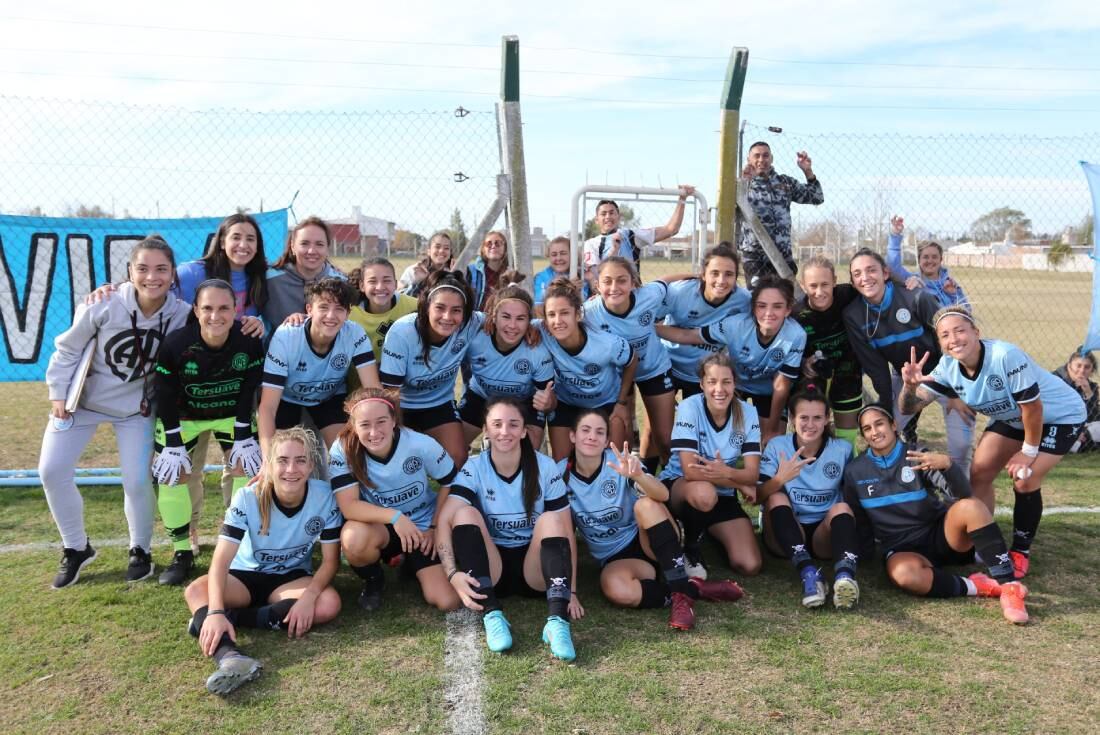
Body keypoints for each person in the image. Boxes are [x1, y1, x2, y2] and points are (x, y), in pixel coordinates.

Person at [41, 235, 192, 589]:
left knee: (137, 480)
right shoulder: (104, 304)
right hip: (83, 402)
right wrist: (57, 393)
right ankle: (76, 547)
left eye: (161, 270)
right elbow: (66, 350)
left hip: (136, 409)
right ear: (129, 272)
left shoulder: (183, 314)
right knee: (51, 470)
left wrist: (253, 325)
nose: (151, 277)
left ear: (173, 275)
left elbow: (219, 330)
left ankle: (140, 549)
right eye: (142, 269)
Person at [899, 307, 1086, 578]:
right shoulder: (947, 366)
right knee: (980, 472)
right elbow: (908, 409)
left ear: (976, 332)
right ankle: (985, 538)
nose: (954, 339)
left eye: (960, 330)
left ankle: (1020, 551)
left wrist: (1027, 452)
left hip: (1058, 416)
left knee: (1025, 477)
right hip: (1015, 418)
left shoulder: (1004, 356)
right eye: (945, 335)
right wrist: (909, 387)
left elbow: (1033, 409)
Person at [183, 426, 343, 695]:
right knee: (196, 590)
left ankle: (235, 618)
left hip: (289, 578)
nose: (291, 469)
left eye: (300, 460)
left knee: (328, 603)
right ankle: (230, 657)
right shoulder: (248, 496)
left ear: (312, 465)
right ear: (268, 464)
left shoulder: (324, 496)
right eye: (282, 460)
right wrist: (214, 612)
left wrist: (307, 598)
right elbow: (221, 562)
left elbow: (330, 562)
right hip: (245, 576)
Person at [842, 404, 1029, 624]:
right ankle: (978, 586)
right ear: (863, 435)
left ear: (893, 425)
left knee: (972, 506)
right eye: (867, 428)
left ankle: (1009, 587)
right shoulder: (855, 471)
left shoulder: (917, 455)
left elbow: (963, 493)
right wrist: (865, 557)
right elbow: (860, 519)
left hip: (940, 536)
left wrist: (948, 466)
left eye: (879, 423)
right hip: (902, 548)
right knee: (905, 576)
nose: (875, 432)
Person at [561, 409, 743, 631]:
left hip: (649, 538)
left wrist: (638, 476)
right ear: (572, 436)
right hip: (616, 557)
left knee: (646, 504)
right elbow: (564, 535)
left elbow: (663, 495)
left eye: (599, 432)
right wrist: (569, 593)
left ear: (607, 440)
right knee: (617, 590)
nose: (591, 437)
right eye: (585, 430)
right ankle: (692, 589)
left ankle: (680, 599)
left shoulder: (620, 463)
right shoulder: (560, 475)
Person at [435, 398, 582, 660]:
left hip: (535, 571)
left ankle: (557, 623)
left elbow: (566, 532)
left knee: (552, 519)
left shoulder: (544, 466)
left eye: (513, 424)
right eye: (497, 424)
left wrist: (571, 591)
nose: (505, 431)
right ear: (486, 430)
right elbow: (445, 519)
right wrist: (452, 574)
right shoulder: (475, 467)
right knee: (463, 513)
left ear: (525, 431)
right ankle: (492, 613)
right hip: (492, 571)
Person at [151, 278, 265, 585]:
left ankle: (239, 543)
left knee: (248, 466)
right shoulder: (176, 343)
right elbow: (163, 393)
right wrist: (173, 442)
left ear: (236, 309)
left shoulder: (249, 341)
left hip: (230, 414)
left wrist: (243, 433)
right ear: (196, 310)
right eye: (208, 308)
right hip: (185, 416)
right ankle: (182, 552)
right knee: (172, 473)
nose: (216, 316)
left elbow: (248, 390)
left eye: (224, 308)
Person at [842, 248, 974, 473]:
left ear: (885, 273)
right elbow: (877, 369)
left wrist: (957, 392)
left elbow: (949, 343)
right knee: (884, 433)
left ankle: (961, 499)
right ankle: (891, 488)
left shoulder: (916, 297)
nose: (865, 278)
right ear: (853, 282)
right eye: (857, 274)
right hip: (906, 378)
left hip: (947, 375)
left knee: (960, 447)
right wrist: (886, 408)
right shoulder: (853, 315)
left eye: (871, 270)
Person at [329, 388, 460, 612]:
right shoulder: (342, 449)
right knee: (353, 538)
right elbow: (348, 506)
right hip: (382, 527)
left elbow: (451, 482)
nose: (373, 432)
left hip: (422, 528)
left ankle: (410, 563)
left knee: (448, 601)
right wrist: (395, 517)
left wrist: (435, 526)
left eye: (381, 422)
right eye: (365, 424)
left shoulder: (419, 444)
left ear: (393, 421)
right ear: (353, 426)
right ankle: (373, 580)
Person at [660, 275, 806, 445]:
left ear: (788, 310)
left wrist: (772, 428)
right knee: (720, 440)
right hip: (736, 386)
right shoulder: (736, 325)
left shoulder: (796, 335)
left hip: (767, 390)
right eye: (761, 306)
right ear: (753, 308)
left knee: (772, 442)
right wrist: (650, 328)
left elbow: (781, 385)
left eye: (777, 307)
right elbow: (688, 335)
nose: (769, 313)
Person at [660, 352, 762, 581]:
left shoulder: (748, 412)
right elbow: (690, 470)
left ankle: (707, 529)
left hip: (723, 492)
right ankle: (691, 547)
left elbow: (753, 473)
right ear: (702, 384)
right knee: (704, 493)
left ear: (735, 383)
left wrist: (730, 475)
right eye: (712, 382)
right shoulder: (689, 407)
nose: (719, 389)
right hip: (682, 487)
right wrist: (737, 479)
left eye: (726, 382)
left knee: (750, 564)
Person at [757, 387, 860, 609]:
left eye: (817, 418)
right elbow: (756, 496)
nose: (810, 424)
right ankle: (809, 574)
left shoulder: (841, 449)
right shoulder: (777, 446)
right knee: (775, 498)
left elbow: (853, 498)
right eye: (804, 417)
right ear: (792, 418)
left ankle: (845, 577)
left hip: (824, 535)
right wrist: (779, 479)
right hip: (785, 532)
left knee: (842, 507)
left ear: (827, 419)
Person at [258, 278, 379, 457]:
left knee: (345, 455)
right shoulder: (287, 336)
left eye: (339, 309)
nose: (331, 315)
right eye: (323, 307)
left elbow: (373, 389)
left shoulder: (354, 333)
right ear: (309, 310)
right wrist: (268, 460)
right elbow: (267, 407)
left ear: (348, 313)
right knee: (281, 458)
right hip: (287, 399)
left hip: (329, 397)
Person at [379, 269, 483, 470]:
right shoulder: (402, 332)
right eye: (440, 308)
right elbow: (391, 393)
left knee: (458, 457)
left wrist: (534, 329)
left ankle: (447, 499)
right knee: (403, 461)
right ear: (427, 307)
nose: (447, 317)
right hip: (403, 406)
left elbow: (505, 319)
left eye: (456, 310)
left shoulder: (470, 323)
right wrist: (398, 433)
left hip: (438, 404)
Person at [584, 257, 676, 471]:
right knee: (621, 436)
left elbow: (667, 280)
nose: (614, 287)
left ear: (633, 283)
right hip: (616, 376)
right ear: (597, 286)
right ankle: (625, 489)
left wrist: (699, 277)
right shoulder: (589, 312)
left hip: (653, 368)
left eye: (621, 280)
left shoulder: (648, 296)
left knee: (664, 437)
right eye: (607, 281)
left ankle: (669, 484)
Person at [537, 276, 638, 461]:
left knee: (615, 462)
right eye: (551, 314)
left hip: (605, 403)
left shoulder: (606, 344)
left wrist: (623, 403)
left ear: (578, 314)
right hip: (566, 403)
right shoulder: (543, 331)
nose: (558, 320)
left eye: (565, 313)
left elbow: (632, 360)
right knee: (562, 464)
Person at [459, 277, 556, 450]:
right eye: (506, 317)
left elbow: (550, 399)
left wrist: (548, 403)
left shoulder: (537, 351)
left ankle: (496, 444)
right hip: (481, 396)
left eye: (520, 319)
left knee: (527, 453)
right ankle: (488, 441)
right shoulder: (476, 337)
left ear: (529, 322)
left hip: (523, 401)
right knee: (454, 448)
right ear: (494, 317)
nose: (512, 325)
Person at [659, 242, 751, 399]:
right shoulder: (680, 292)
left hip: (705, 372)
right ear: (703, 274)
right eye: (714, 273)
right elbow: (646, 317)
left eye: (729, 274)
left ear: (736, 277)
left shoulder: (743, 301)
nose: (721, 280)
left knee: (699, 423)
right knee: (656, 424)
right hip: (668, 364)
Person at [793, 255, 864, 449]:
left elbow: (882, 282)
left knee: (846, 438)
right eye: (813, 285)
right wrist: (803, 364)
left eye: (825, 284)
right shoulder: (796, 315)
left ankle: (848, 474)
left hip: (848, 372)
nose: (819, 291)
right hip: (814, 377)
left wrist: (909, 281)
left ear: (835, 281)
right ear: (803, 285)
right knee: (811, 431)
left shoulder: (848, 294)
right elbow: (788, 353)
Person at [738, 142, 823, 286]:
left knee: (786, 299)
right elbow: (727, 205)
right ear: (749, 159)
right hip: (755, 258)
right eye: (756, 156)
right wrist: (744, 180)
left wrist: (808, 171)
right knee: (758, 299)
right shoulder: (742, 185)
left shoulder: (785, 183)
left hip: (782, 256)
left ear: (771, 158)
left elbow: (817, 197)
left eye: (765, 155)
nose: (761, 160)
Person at [581, 186, 695, 285]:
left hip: (635, 294)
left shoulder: (630, 235)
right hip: (607, 296)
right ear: (596, 220)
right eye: (603, 214)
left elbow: (671, 229)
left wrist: (682, 199)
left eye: (612, 213)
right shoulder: (590, 244)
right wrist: (613, 252)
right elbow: (595, 275)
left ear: (619, 217)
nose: (608, 217)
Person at [346, 257, 418, 390]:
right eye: (372, 281)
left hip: (403, 387)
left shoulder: (413, 306)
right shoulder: (349, 313)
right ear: (362, 285)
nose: (380, 287)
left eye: (387, 281)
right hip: (359, 387)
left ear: (396, 285)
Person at [264, 216, 347, 328]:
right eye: (304, 243)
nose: (312, 251)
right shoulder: (270, 279)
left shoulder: (341, 282)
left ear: (327, 248)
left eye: (319, 244)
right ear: (293, 246)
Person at [886, 215, 970, 310]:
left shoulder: (950, 284)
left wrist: (953, 294)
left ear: (941, 259)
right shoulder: (912, 281)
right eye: (925, 257)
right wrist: (895, 235)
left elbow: (967, 312)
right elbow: (892, 267)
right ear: (919, 260)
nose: (930, 261)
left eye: (934, 257)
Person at [1054, 348, 1100, 453]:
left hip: (1082, 428)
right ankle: (1087, 444)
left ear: (1092, 370)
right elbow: (1052, 413)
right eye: (1078, 365)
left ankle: (1084, 443)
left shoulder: (1090, 386)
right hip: (1057, 427)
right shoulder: (1055, 380)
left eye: (1087, 367)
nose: (1082, 371)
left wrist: (1088, 393)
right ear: (1069, 365)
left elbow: (1094, 418)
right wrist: (1074, 431)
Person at [399, 230, 454, 296]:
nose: (442, 250)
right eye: (437, 247)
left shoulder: (454, 271)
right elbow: (401, 298)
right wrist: (418, 282)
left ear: (450, 252)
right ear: (429, 251)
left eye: (446, 248)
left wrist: (455, 276)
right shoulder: (413, 271)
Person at [466, 230, 510, 310]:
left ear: (505, 248)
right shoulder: (471, 271)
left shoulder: (511, 272)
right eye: (488, 243)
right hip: (478, 318)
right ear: (483, 249)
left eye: (498, 243)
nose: (493, 246)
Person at [533, 236, 573, 317]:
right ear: (549, 257)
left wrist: (591, 280)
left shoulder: (581, 275)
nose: (558, 258)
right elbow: (539, 308)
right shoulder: (541, 277)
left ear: (572, 254)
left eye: (563, 253)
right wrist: (568, 287)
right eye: (554, 255)